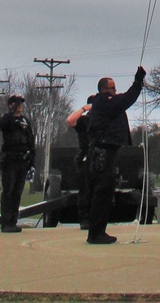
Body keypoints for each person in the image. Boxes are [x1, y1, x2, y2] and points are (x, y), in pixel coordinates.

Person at [85, 66, 145, 244]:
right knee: (102, 193)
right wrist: (137, 82)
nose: (115, 90)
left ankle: (98, 231)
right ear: (104, 90)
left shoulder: (105, 102)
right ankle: (95, 233)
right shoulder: (103, 100)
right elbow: (125, 100)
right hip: (102, 152)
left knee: (105, 193)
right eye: (112, 88)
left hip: (107, 152)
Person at [0, 94, 36, 233]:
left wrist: (32, 158)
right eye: (17, 104)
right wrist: (11, 112)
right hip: (10, 160)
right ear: (11, 105)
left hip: (23, 160)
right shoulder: (7, 120)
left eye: (21, 104)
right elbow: (0, 124)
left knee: (18, 191)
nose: (20, 106)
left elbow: (30, 139)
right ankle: (6, 222)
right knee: (9, 190)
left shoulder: (25, 121)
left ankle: (13, 221)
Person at [66, 96, 94, 230]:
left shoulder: (104, 120)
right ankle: (84, 219)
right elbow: (70, 120)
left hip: (101, 155)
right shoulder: (84, 120)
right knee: (85, 189)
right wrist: (84, 108)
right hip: (86, 155)